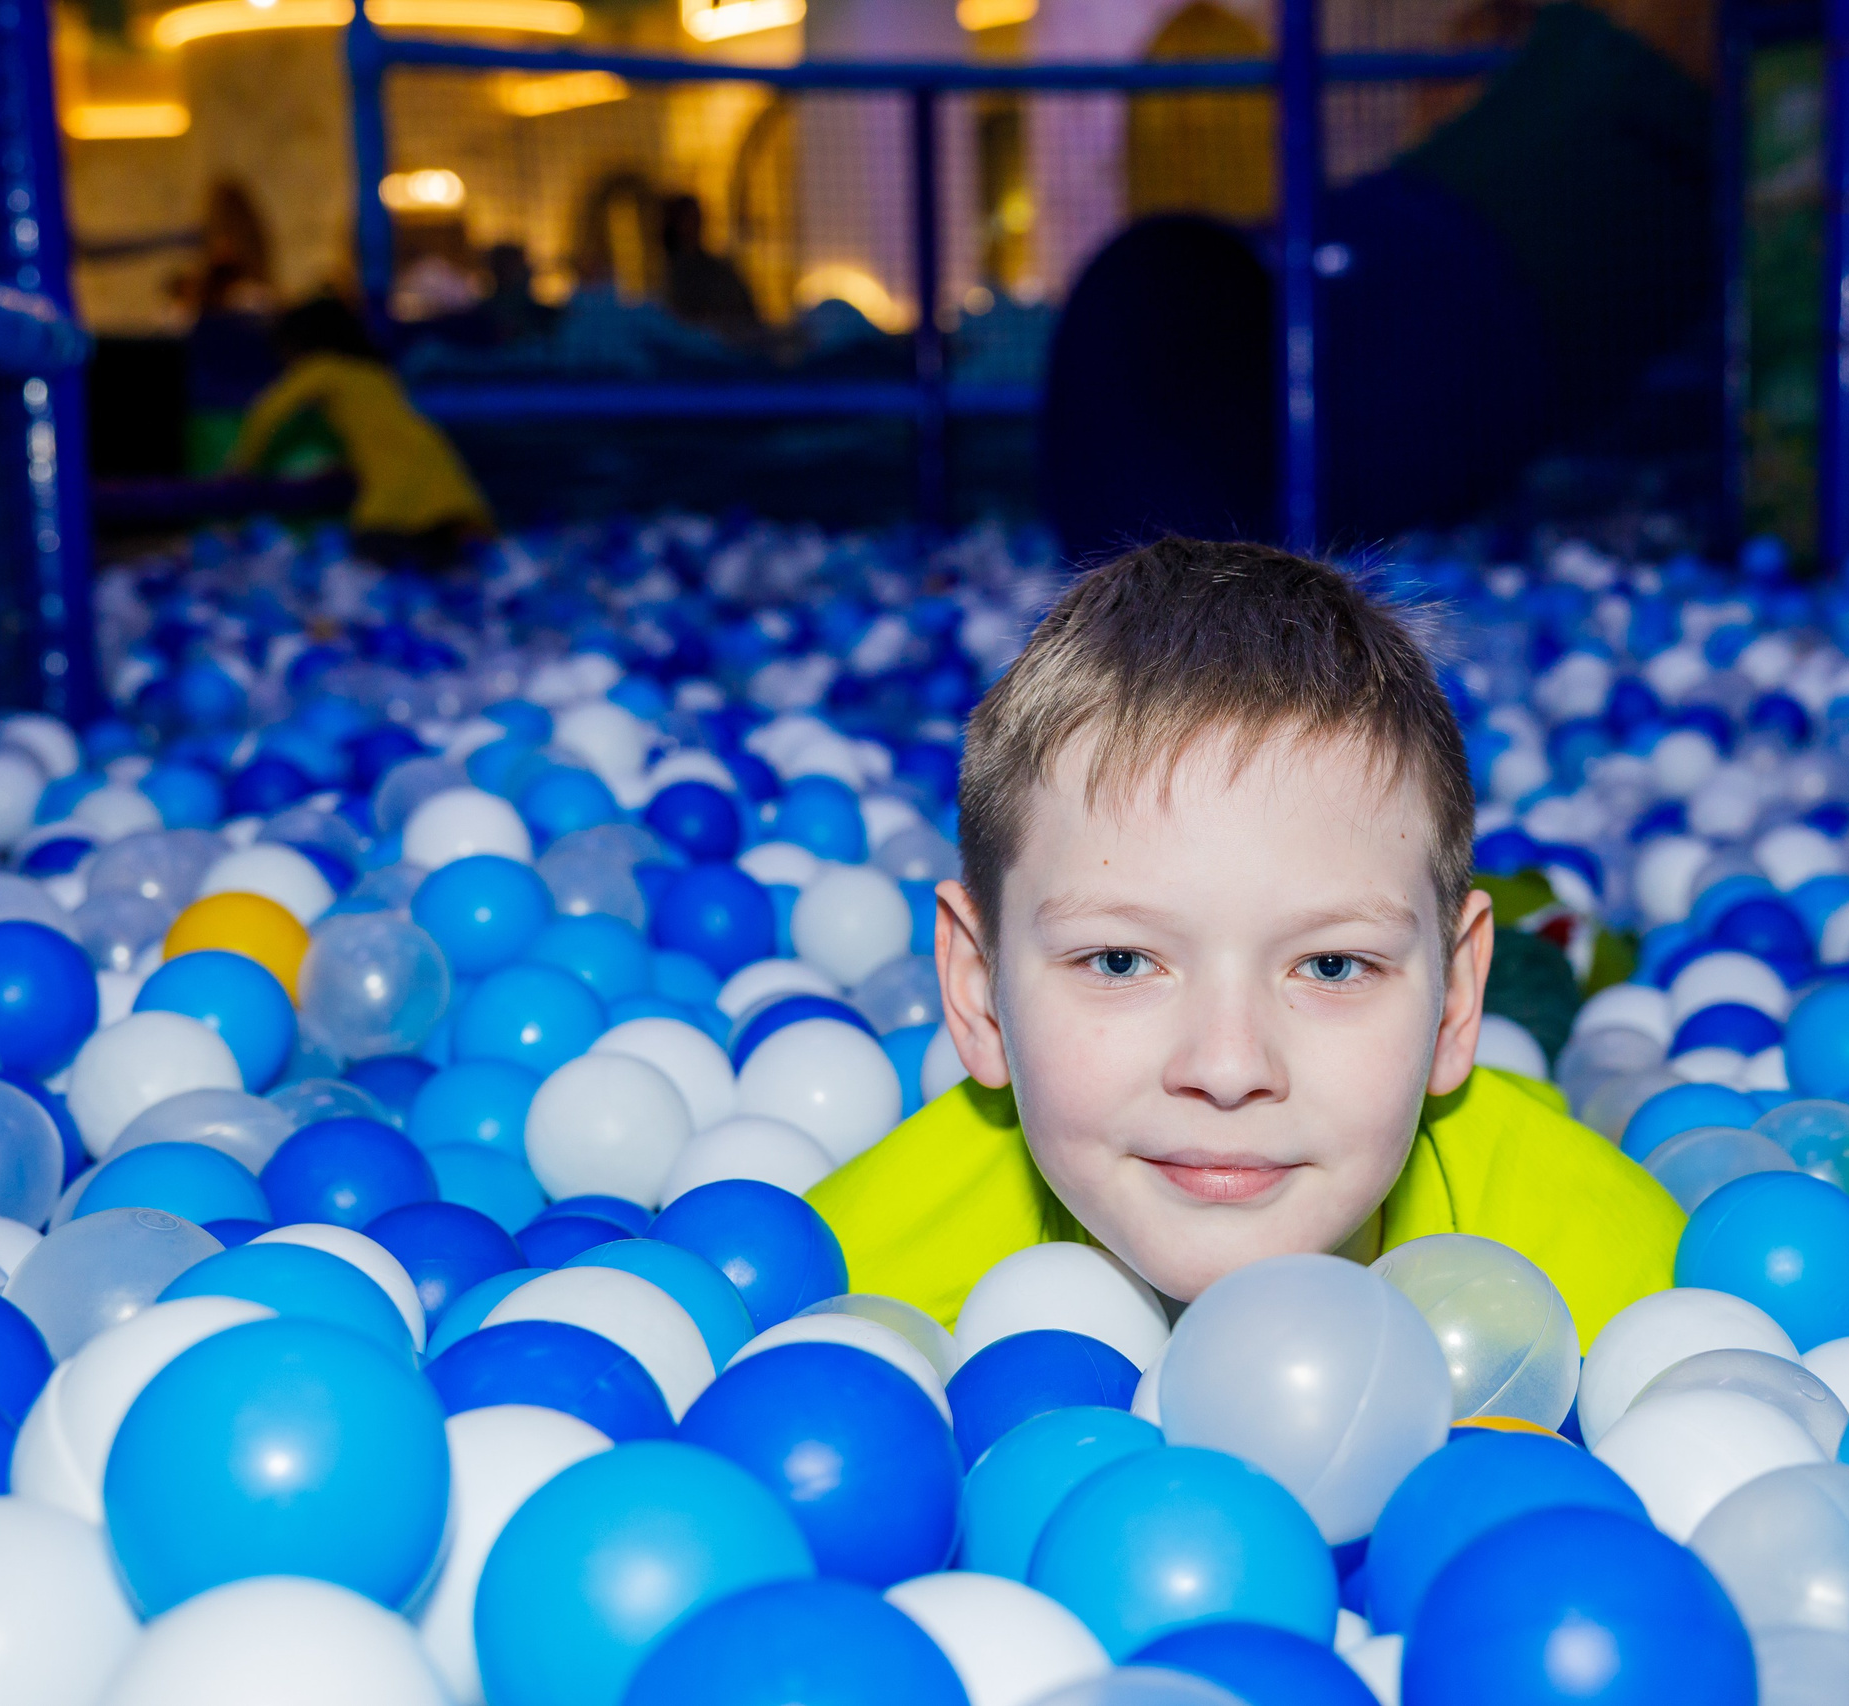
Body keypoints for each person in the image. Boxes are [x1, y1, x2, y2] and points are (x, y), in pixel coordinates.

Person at [807, 538, 1683, 1346]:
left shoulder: (1624, 1293)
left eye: (1333, 965)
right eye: (1120, 960)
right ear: (975, 990)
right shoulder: (841, 1302)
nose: (1227, 1069)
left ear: (1455, 1003)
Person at [225, 296, 495, 570]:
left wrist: (241, 465)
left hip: (395, 497)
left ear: (299, 345)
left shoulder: (324, 368)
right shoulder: (376, 374)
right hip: (446, 480)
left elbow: (269, 411)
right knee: (445, 571)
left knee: (371, 556)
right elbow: (378, 434)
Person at [659, 194, 759, 338]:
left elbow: (744, 306)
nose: (695, 225)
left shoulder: (718, 268)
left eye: (697, 218)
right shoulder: (669, 272)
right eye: (689, 219)